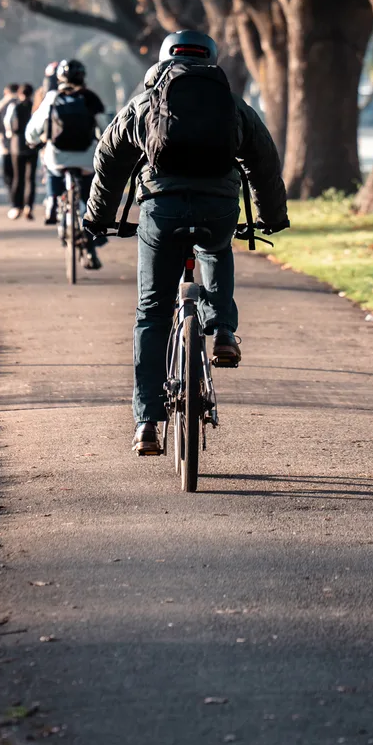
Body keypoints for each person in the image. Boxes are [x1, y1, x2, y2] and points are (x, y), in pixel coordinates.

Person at [82, 30, 290, 456]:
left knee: (152, 311)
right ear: (212, 61)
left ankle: (147, 423)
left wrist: (98, 218)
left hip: (162, 212)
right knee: (216, 248)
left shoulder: (144, 104)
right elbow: (264, 163)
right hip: (217, 208)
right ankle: (223, 331)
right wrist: (271, 216)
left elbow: (108, 162)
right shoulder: (233, 105)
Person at [25, 58, 105, 267]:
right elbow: (106, 127)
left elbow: (35, 128)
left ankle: (52, 200)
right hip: (86, 157)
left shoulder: (52, 98)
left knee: (51, 169)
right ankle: (91, 246)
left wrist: (32, 141)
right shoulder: (90, 98)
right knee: (90, 198)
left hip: (58, 156)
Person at [6, 83, 39, 220]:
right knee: (30, 178)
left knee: (18, 178)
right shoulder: (36, 108)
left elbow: (8, 123)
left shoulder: (14, 106)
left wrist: (10, 133)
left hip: (17, 146)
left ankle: (16, 206)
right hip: (32, 146)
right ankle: (28, 206)